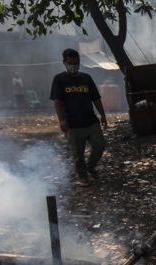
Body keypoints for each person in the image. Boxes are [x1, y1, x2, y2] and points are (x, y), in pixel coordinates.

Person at [50, 48, 108, 187]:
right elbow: (57, 101)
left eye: (75, 62)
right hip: (72, 124)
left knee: (100, 145)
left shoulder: (86, 78)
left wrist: (103, 115)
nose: (73, 65)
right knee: (78, 153)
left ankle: (90, 166)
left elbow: (96, 98)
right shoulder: (59, 79)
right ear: (64, 63)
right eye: (70, 62)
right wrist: (62, 120)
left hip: (90, 120)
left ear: (79, 62)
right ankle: (83, 177)